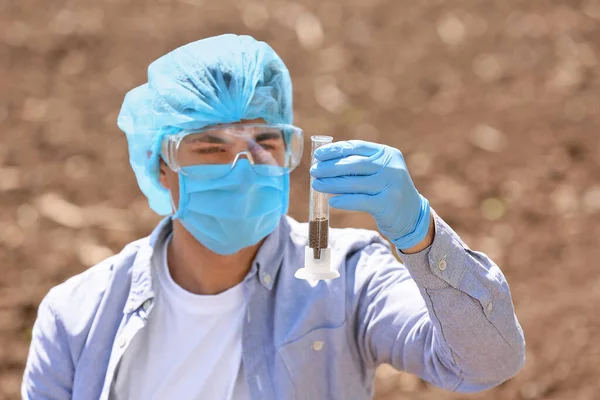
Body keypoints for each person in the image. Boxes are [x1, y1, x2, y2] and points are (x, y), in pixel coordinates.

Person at [21, 34, 525, 400]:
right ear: (161, 164)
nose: (244, 168)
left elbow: (487, 362)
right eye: (211, 147)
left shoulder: (344, 279)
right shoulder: (79, 319)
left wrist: (420, 235)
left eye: (265, 143)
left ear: (290, 154)